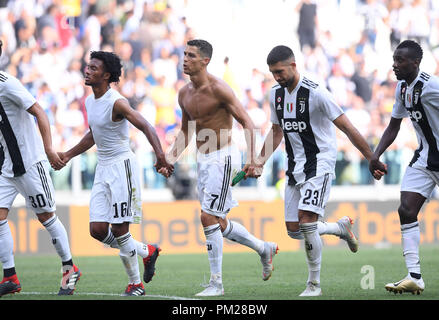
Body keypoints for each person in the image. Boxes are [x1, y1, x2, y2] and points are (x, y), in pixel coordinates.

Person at [245, 45, 386, 297]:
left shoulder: (317, 92)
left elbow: (347, 126)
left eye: (280, 71)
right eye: (272, 73)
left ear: (293, 65)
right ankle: (339, 228)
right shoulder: (275, 94)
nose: (276, 77)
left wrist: (371, 157)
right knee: (294, 229)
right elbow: (277, 131)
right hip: (294, 166)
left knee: (307, 221)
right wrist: (259, 161)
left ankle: (314, 285)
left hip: (320, 163)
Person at [163, 39, 278, 297]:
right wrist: (169, 159)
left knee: (207, 217)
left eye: (191, 55)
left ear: (205, 61)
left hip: (223, 157)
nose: (185, 59)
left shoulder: (220, 90)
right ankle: (264, 248)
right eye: (184, 54)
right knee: (219, 222)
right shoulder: (184, 94)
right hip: (202, 160)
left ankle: (216, 284)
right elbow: (185, 132)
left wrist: (252, 159)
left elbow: (248, 123)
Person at [57, 50, 174, 296]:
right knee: (98, 230)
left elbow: (146, 125)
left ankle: (136, 284)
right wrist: (67, 154)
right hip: (103, 168)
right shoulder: (90, 101)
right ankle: (146, 251)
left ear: (106, 75)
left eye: (93, 68)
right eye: (87, 66)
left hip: (122, 167)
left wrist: (160, 155)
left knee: (120, 230)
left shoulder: (117, 101)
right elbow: (93, 134)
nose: (87, 70)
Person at [0, 39, 80, 297]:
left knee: (47, 217)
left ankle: (69, 267)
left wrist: (48, 150)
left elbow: (40, 112)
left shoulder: (6, 84)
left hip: (30, 164)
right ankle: (10, 277)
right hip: (7, 168)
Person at [369, 40, 438, 295]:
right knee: (406, 209)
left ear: (415, 63)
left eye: (400, 61)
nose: (394, 65)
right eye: (394, 59)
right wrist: (375, 155)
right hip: (425, 159)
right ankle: (414, 276)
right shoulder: (401, 89)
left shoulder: (431, 86)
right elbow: (394, 125)